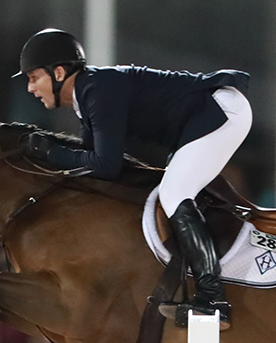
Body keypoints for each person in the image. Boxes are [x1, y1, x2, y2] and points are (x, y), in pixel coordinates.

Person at [16, 28, 251, 325]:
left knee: (174, 193)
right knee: (173, 190)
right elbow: (91, 160)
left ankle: (212, 296)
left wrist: (50, 152)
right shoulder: (89, 93)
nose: (30, 88)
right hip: (206, 118)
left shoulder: (97, 89)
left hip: (219, 112)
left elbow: (105, 165)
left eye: (34, 78)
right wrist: (50, 152)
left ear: (59, 71)